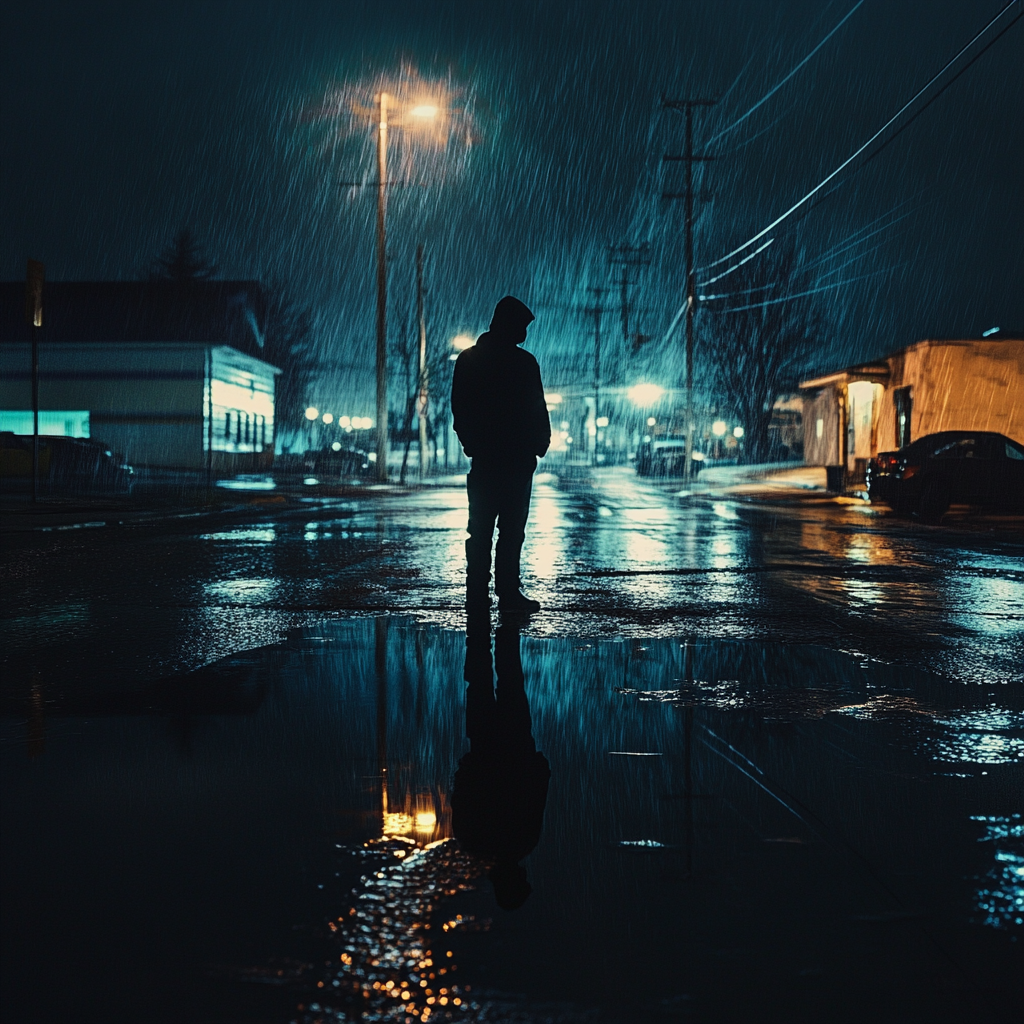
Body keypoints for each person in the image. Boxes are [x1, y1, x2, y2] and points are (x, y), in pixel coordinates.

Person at [451, 296, 550, 612]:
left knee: (482, 529)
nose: (524, 332)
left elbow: (460, 408)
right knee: (509, 531)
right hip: (514, 458)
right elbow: (537, 407)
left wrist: (473, 444)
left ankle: (478, 592)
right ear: (509, 324)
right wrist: (538, 443)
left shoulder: (470, 360)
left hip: (491, 458)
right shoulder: (523, 363)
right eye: (521, 326)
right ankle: (506, 593)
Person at [451, 611, 551, 910]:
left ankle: (507, 629)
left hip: (516, 748)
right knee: (479, 685)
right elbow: (460, 799)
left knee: (511, 684)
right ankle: (478, 630)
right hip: (483, 750)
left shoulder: (522, 843)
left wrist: (539, 767)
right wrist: (468, 766)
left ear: (516, 880)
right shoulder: (472, 845)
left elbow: (535, 797)